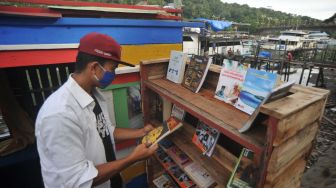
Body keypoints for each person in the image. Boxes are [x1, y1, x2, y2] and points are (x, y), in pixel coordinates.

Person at [35, 32, 158, 188]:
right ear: (93, 67)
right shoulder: (60, 115)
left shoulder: (94, 94)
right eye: (112, 69)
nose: (113, 74)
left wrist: (140, 132)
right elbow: (77, 180)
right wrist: (132, 158)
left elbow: (105, 130)